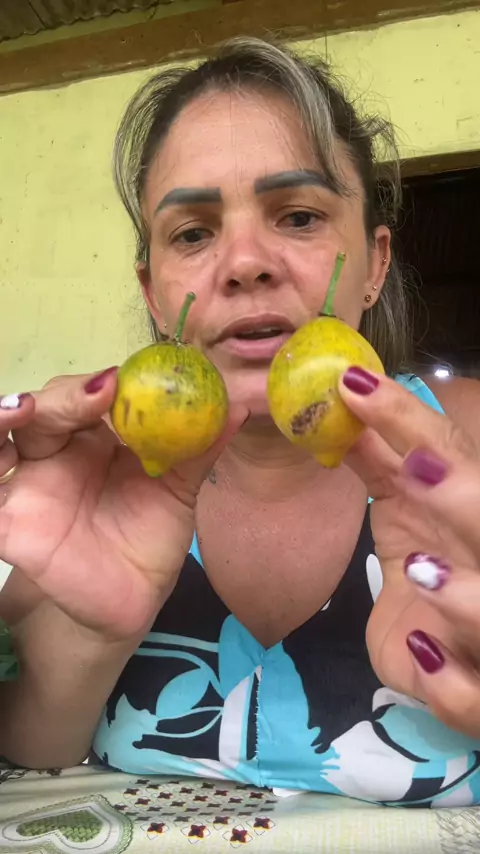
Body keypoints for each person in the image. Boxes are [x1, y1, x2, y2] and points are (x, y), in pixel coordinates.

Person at [1, 37, 480, 808]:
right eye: (192, 233)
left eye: (298, 216)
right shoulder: (99, 479)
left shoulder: (468, 453)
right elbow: (35, 757)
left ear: (374, 263)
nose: (245, 262)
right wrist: (89, 640)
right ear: (154, 293)